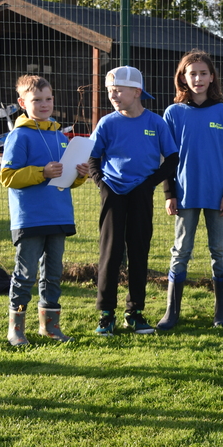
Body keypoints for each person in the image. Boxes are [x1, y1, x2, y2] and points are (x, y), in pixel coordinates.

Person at [0, 75, 89, 346]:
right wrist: (42, 172)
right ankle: (16, 329)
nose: (44, 104)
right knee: (25, 275)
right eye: (37, 100)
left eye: (48, 98)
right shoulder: (19, 136)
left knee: (53, 274)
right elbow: (7, 177)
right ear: (22, 103)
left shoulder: (61, 136)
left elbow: (66, 180)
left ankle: (50, 327)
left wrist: (80, 174)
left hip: (59, 216)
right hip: (31, 218)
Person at [157, 50, 223, 330]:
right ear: (182, 78)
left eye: (203, 73)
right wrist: (169, 194)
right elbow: (167, 158)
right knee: (181, 251)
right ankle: (171, 313)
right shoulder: (173, 113)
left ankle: (221, 313)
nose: (198, 79)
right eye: (192, 73)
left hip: (217, 196)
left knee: (219, 251)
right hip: (185, 195)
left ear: (212, 77)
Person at [89, 66, 178, 336]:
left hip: (141, 193)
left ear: (137, 92)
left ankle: (135, 312)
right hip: (113, 193)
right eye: (110, 91)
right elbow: (92, 157)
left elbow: (172, 158)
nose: (112, 96)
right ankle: (106, 314)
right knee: (110, 252)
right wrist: (101, 183)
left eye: (118, 90)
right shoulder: (107, 123)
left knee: (139, 251)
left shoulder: (156, 123)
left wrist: (149, 184)